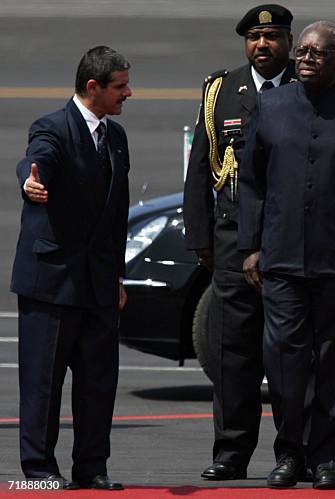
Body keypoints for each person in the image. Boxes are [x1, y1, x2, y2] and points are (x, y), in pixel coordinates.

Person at [238, 21, 335, 490]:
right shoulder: (270, 105)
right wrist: (250, 247)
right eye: (302, 51)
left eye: (317, 53)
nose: (305, 59)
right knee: (283, 362)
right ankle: (290, 453)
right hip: (282, 260)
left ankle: (329, 459)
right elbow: (251, 183)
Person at [183, 4, 298, 481]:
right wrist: (200, 237)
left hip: (291, 238)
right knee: (234, 352)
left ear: (288, 41)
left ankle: (296, 453)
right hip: (232, 238)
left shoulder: (305, 84)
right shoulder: (221, 91)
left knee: (294, 351)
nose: (262, 45)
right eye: (253, 37)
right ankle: (231, 452)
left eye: (271, 37)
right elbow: (200, 169)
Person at [11, 46, 132, 490]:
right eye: (120, 87)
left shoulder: (115, 137)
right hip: (53, 281)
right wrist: (30, 180)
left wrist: (117, 275)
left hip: (99, 282)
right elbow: (36, 159)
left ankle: (91, 467)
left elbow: (116, 213)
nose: (129, 93)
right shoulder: (53, 127)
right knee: (43, 384)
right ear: (93, 87)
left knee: (98, 383)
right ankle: (39, 472)